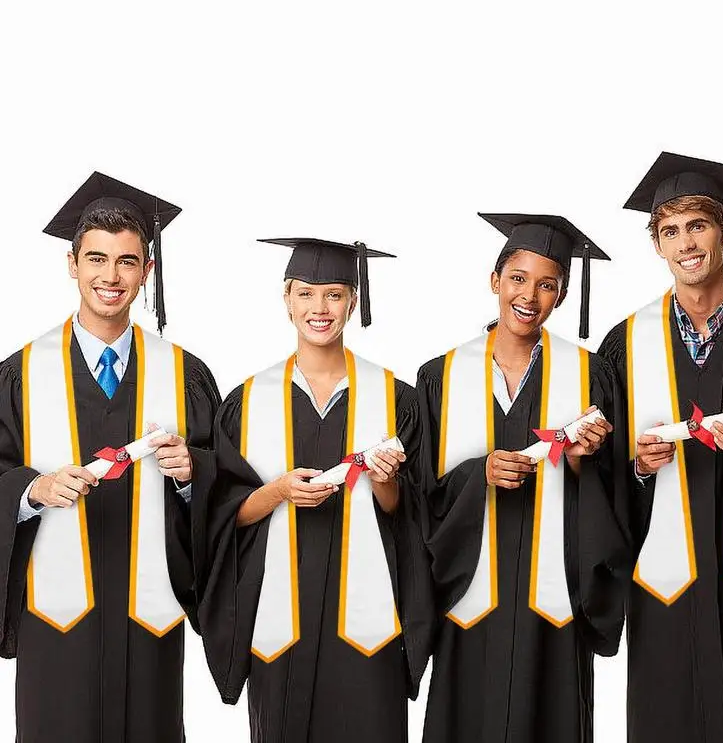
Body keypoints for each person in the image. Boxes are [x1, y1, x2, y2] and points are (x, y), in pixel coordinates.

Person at [0, 172, 220, 743]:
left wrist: (194, 475)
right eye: (97, 259)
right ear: (72, 263)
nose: (110, 276)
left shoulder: (184, 374)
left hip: (150, 616)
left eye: (127, 261)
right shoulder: (21, 374)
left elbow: (229, 491)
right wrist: (31, 490)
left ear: (147, 270)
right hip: (55, 621)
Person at [200, 237, 433, 743]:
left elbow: (410, 517)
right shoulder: (247, 401)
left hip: (369, 626)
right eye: (306, 293)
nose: (319, 308)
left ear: (354, 300)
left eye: (334, 294)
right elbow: (222, 514)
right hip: (279, 624)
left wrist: (388, 481)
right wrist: (279, 491)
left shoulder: (398, 400)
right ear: (286, 298)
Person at [600, 152, 723, 743]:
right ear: (657, 246)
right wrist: (636, 466)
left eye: (698, 226)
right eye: (669, 231)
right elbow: (599, 464)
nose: (685, 243)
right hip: (667, 580)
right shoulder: (626, 343)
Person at [416, 214, 629, 742]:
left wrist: (582, 460)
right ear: (495, 280)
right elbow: (417, 499)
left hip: (554, 607)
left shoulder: (589, 376)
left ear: (559, 295)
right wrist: (476, 474)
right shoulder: (439, 377)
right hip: (469, 605)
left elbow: (617, 497)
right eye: (517, 278)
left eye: (547, 284)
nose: (529, 295)